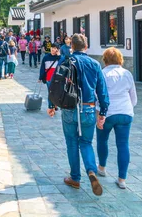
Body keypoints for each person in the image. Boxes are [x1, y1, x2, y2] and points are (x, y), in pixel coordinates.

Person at [47, 34, 109, 197]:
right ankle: (91, 170)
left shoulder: (66, 61)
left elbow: (54, 84)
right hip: (88, 108)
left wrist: (51, 104)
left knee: (72, 142)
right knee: (86, 142)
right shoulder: (95, 64)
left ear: (71, 47)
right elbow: (102, 90)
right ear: (86, 46)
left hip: (69, 107)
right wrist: (103, 111)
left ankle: (75, 178)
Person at [97, 47, 137, 189]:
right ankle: (122, 179)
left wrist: (98, 114)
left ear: (105, 60)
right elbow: (133, 97)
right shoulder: (127, 74)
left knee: (102, 140)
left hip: (107, 112)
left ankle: (101, 168)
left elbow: (98, 96)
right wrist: (128, 108)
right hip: (125, 112)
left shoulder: (102, 74)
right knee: (123, 144)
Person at [39, 42, 61, 110]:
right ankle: (50, 106)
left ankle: (55, 104)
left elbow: (63, 64)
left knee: (57, 92)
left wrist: (59, 56)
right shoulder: (46, 57)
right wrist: (40, 77)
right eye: (52, 48)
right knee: (50, 92)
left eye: (55, 48)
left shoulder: (59, 58)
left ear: (57, 50)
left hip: (57, 79)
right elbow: (42, 68)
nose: (53, 49)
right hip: (49, 78)